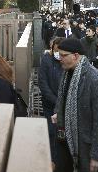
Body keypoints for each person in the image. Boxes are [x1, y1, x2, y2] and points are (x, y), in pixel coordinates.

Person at [52, 38, 98, 172]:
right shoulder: (67, 72)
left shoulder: (97, 80)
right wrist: (58, 112)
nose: (59, 58)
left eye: (63, 55)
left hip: (85, 147)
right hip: (65, 140)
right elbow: (62, 99)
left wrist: (97, 156)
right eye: (58, 55)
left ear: (76, 56)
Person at [38, 37, 64, 169]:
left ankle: (60, 159)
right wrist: (55, 100)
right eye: (56, 50)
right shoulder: (47, 60)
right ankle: (52, 160)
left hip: (64, 105)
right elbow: (43, 83)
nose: (58, 53)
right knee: (51, 131)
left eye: (61, 50)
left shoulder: (67, 62)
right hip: (50, 104)